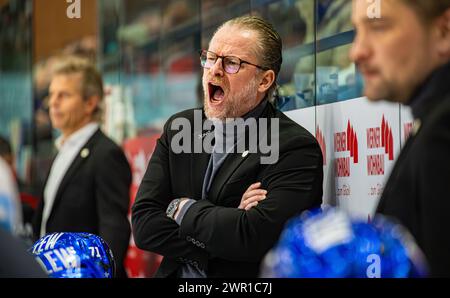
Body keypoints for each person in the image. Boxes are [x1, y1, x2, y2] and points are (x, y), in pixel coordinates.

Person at [132, 16, 323, 278]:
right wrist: (227, 220)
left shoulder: (293, 147)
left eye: (232, 63)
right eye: (211, 58)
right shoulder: (181, 127)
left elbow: (253, 237)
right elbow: (144, 225)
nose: (215, 70)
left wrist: (181, 208)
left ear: (264, 81)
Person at [350, 0, 450, 277]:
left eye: (378, 27)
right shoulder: (431, 120)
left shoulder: (443, 129)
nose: (356, 52)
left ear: (444, 31)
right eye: (357, 31)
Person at [32, 57, 132, 278]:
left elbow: (114, 230)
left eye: (64, 95)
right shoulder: (63, 150)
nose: (53, 102)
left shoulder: (106, 154)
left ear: (90, 103)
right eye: (52, 94)